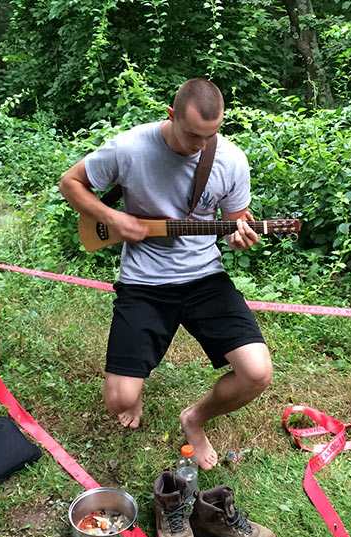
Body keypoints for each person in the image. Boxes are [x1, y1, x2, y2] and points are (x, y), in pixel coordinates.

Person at [58, 78, 272, 470]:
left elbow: (236, 222)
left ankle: (195, 418)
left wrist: (241, 237)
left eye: (211, 135)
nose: (201, 146)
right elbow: (70, 183)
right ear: (171, 116)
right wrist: (113, 217)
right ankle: (133, 391)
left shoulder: (231, 159)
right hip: (143, 282)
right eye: (193, 135)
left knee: (257, 373)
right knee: (119, 400)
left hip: (205, 278)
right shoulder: (129, 148)